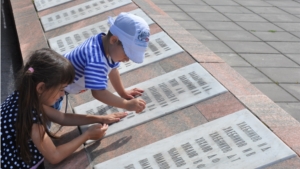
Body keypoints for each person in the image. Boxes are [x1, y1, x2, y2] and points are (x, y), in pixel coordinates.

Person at [1, 48, 126, 169]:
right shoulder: (32, 120)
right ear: (41, 88)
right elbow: (54, 156)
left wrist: (100, 118)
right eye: (61, 89)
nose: (62, 94)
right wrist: (87, 135)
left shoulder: (25, 96)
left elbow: (62, 117)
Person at [61, 12, 150, 113]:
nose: (127, 59)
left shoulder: (105, 44)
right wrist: (126, 104)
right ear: (114, 40)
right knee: (44, 121)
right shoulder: (96, 60)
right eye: (127, 53)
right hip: (52, 86)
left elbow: (113, 70)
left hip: (62, 82)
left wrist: (123, 93)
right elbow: (98, 93)